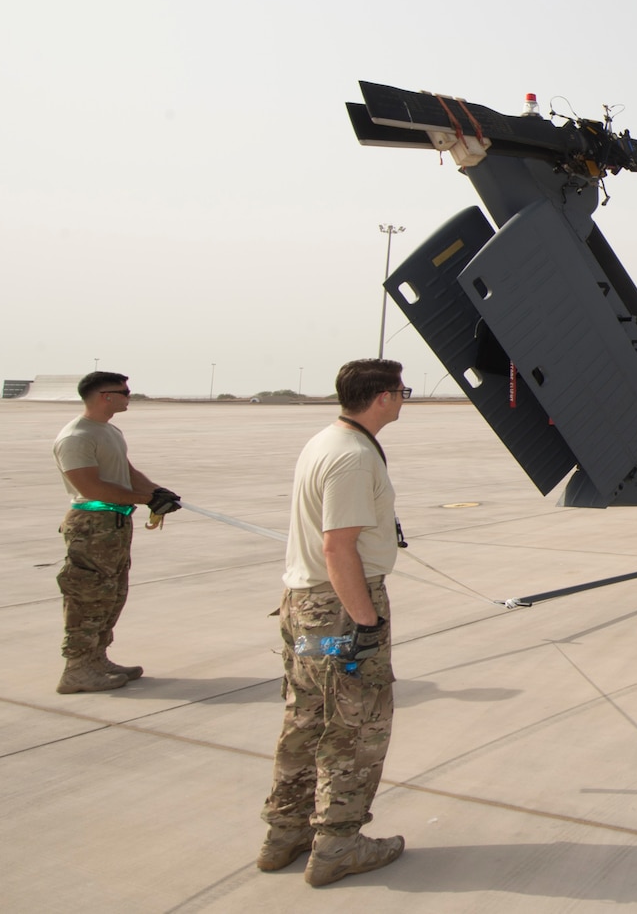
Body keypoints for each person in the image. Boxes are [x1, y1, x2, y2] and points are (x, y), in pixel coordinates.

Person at [258, 359, 408, 885]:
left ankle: (285, 834)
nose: (404, 398)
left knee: (307, 720)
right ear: (383, 397)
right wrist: (364, 625)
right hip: (340, 606)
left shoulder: (327, 440)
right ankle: (338, 845)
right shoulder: (351, 456)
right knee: (356, 727)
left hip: (305, 602)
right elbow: (337, 546)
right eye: (402, 390)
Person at [51, 372, 180, 694]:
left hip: (115, 524)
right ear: (104, 396)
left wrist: (157, 491)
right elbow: (91, 487)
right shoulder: (76, 437)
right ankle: (76, 668)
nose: (129, 395)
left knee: (111, 595)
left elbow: (126, 472)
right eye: (124, 391)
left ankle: (96, 658)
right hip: (92, 526)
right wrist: (147, 499)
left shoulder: (108, 431)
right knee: (88, 597)